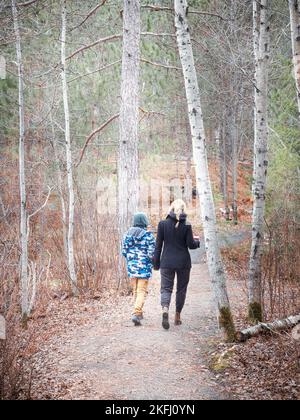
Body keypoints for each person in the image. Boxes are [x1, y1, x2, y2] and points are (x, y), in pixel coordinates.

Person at [153, 199, 200, 330]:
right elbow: (191, 245)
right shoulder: (187, 225)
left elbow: (158, 247)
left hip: (167, 262)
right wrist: (197, 242)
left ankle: (165, 310)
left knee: (166, 288)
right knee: (181, 289)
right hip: (183, 263)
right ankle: (177, 315)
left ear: (171, 209)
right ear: (184, 210)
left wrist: (156, 264)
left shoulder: (162, 224)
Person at [122, 212, 156, 326]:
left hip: (132, 268)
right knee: (141, 291)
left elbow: (124, 252)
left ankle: (139, 312)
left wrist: (131, 261)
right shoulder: (148, 236)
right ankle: (136, 313)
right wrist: (152, 262)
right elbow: (152, 254)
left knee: (136, 290)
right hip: (144, 268)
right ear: (144, 222)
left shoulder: (127, 235)